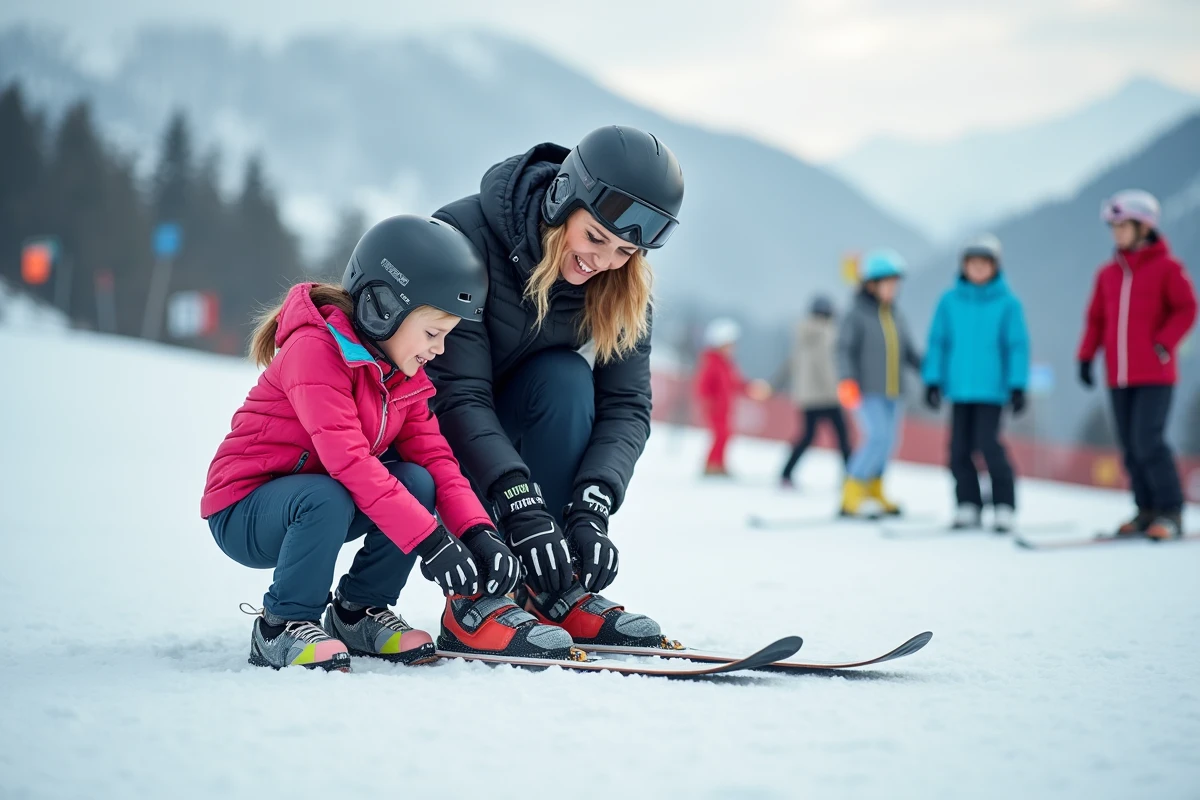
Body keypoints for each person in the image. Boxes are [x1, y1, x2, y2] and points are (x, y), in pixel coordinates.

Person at [199, 216, 559, 672]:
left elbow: (438, 461)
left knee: (417, 481)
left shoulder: (402, 377)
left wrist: (476, 532)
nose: (440, 349)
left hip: (322, 505)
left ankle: (358, 612)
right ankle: (281, 624)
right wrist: (430, 540)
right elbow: (348, 463)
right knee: (326, 495)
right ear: (382, 307)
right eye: (432, 333)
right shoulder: (314, 350)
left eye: (447, 335)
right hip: (243, 510)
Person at [427, 125, 684, 649]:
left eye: (623, 252)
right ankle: (473, 600)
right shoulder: (464, 238)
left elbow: (627, 406)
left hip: (505, 435)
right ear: (563, 199)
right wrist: (521, 505)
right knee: (546, 382)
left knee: (565, 379)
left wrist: (591, 505)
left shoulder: (622, 287)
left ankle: (549, 590)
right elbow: (457, 397)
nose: (603, 263)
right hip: (429, 441)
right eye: (594, 238)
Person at [1077, 190, 1197, 540]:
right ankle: (1145, 509)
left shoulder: (1168, 268)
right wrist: (1086, 356)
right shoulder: (1108, 274)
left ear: (1143, 227)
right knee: (1129, 444)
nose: (1116, 233)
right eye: (1113, 227)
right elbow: (1095, 319)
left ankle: (1171, 511)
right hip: (1119, 374)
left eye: (1122, 226)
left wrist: (1163, 343)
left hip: (1156, 374)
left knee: (1149, 440)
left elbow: (1188, 308)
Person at [922, 234, 1030, 533]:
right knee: (958, 449)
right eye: (973, 263)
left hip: (992, 391)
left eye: (985, 264)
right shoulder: (949, 301)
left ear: (995, 267)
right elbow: (938, 342)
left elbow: (1017, 346)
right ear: (964, 266)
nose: (978, 269)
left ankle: (1004, 505)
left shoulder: (1008, 304)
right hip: (959, 389)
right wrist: (933, 380)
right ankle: (968, 503)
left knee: (988, 445)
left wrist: (1018, 384)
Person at [836, 249, 922, 518]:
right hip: (866, 389)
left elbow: (909, 353)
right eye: (887, 283)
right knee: (876, 437)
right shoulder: (857, 314)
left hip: (894, 391)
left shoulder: (896, 316)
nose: (893, 289)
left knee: (888, 442)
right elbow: (843, 350)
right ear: (871, 285)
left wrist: (932, 374)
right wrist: (847, 380)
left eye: (896, 284)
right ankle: (851, 492)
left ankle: (875, 488)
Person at [778, 295, 851, 488]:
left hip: (806, 397)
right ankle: (852, 478)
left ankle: (785, 473)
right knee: (843, 437)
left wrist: (774, 385)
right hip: (827, 396)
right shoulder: (827, 333)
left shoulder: (802, 334)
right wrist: (839, 389)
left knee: (807, 436)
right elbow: (826, 366)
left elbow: (790, 364)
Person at [694, 318, 771, 477]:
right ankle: (711, 465)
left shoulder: (727, 364)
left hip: (725, 407)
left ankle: (719, 464)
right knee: (721, 434)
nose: (732, 348)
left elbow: (737, 382)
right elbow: (703, 385)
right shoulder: (712, 363)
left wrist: (752, 389)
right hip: (715, 408)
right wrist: (708, 402)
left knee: (726, 435)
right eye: (729, 345)